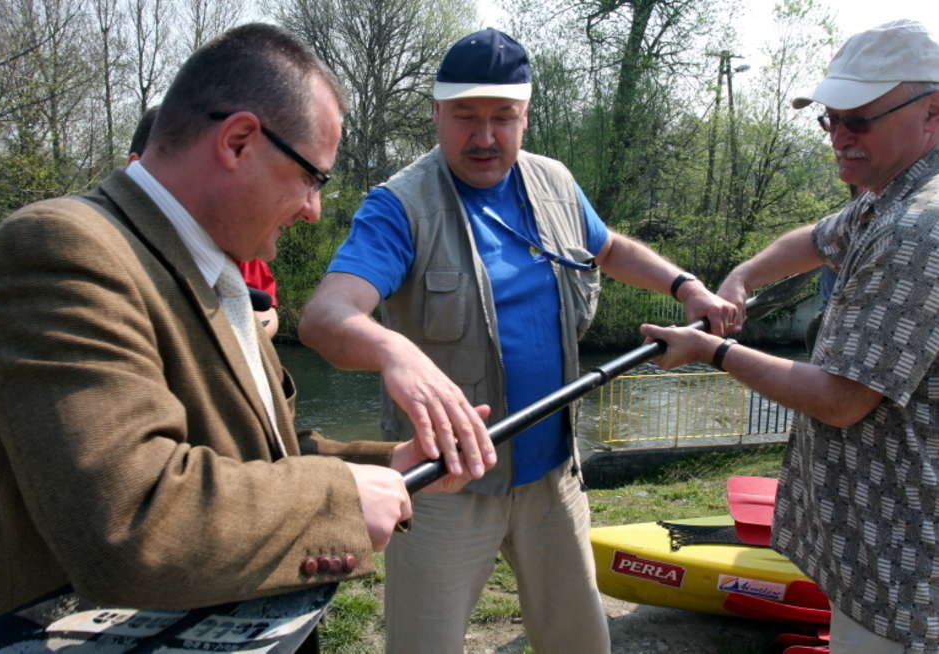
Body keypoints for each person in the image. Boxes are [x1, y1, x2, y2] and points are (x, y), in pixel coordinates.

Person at [0, 23, 479, 649]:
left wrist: (386, 465)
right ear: (238, 141)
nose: (315, 208)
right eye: (313, 177)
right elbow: (132, 521)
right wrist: (338, 498)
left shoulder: (213, 269)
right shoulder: (60, 249)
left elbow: (262, 457)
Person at [298, 28, 736, 653]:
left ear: (526, 118)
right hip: (444, 480)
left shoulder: (556, 183)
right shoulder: (398, 206)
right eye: (465, 117)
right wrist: (395, 352)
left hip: (553, 472)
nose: (484, 137)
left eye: (503, 117)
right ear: (436, 115)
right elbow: (325, 317)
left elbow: (608, 247)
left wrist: (685, 286)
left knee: (581, 641)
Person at [640, 19, 939, 654]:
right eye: (830, 119)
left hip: (909, 573)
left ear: (932, 110)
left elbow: (840, 399)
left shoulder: (920, 228)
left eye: (858, 118)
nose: (841, 137)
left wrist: (712, 350)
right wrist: (744, 275)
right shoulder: (884, 195)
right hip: (878, 551)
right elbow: (816, 238)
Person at [129, 105, 281, 337]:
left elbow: (267, 311)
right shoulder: (96, 238)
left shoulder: (231, 236)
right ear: (134, 165)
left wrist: (242, 333)